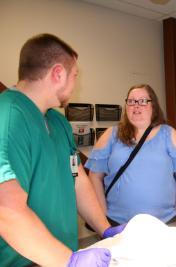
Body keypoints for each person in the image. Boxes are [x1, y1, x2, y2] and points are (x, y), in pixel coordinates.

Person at [0, 34, 124, 266]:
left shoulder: (59, 122)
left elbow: (77, 179)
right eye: (75, 75)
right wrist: (68, 261)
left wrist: (105, 229)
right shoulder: (7, 119)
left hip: (60, 256)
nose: (76, 83)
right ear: (58, 73)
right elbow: (7, 211)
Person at [85, 84, 176, 224]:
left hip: (163, 223)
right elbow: (94, 176)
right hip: (117, 223)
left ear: (153, 105)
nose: (136, 106)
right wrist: (103, 216)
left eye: (142, 101)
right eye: (131, 101)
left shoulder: (169, 134)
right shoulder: (111, 135)